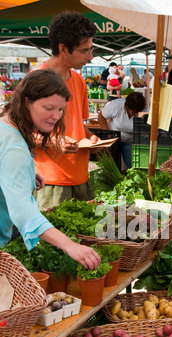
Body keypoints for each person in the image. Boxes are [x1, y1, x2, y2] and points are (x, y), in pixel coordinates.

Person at [0, 69, 101, 271]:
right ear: (27, 102)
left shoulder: (5, 121)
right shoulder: (14, 147)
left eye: (61, 109)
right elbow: (22, 212)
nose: (56, 116)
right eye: (48, 108)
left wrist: (26, 173)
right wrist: (71, 246)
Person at [33, 11, 100, 211]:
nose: (90, 56)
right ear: (63, 48)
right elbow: (18, 130)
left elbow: (77, 125)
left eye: (92, 48)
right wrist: (54, 142)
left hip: (81, 177)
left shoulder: (78, 80)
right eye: (84, 50)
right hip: (50, 182)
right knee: (52, 240)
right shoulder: (36, 80)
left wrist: (92, 139)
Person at [98, 92, 146, 170]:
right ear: (126, 107)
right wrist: (107, 133)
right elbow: (101, 117)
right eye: (133, 112)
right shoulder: (116, 105)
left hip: (130, 140)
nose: (136, 114)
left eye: (137, 112)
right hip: (113, 139)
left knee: (132, 166)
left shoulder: (143, 110)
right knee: (113, 166)